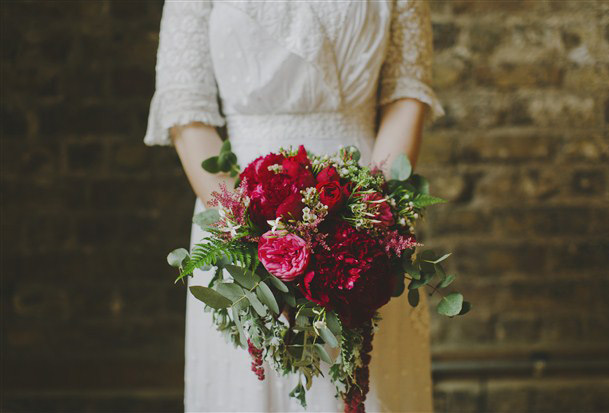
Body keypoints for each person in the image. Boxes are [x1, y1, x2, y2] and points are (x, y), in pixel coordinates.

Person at [144, 1, 445, 412]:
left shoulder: (368, 218)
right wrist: (248, 235)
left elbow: (406, 92)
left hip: (365, 215)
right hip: (238, 219)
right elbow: (185, 110)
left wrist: (369, 218)